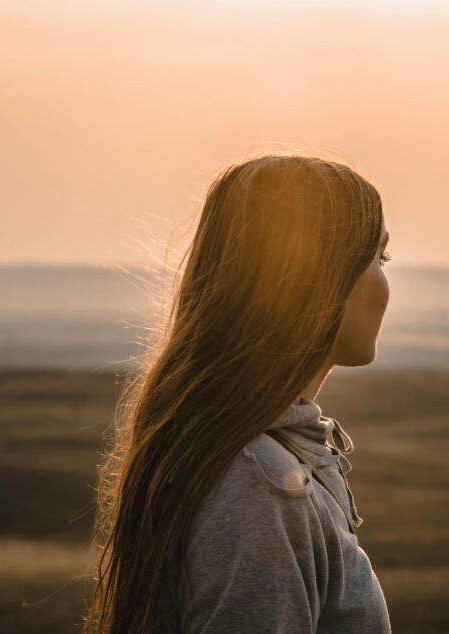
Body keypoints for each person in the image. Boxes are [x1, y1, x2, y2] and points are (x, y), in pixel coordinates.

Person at [83, 152, 392, 633]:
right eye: (380, 256)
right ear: (322, 276)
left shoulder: (255, 461)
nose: (385, 280)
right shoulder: (263, 488)